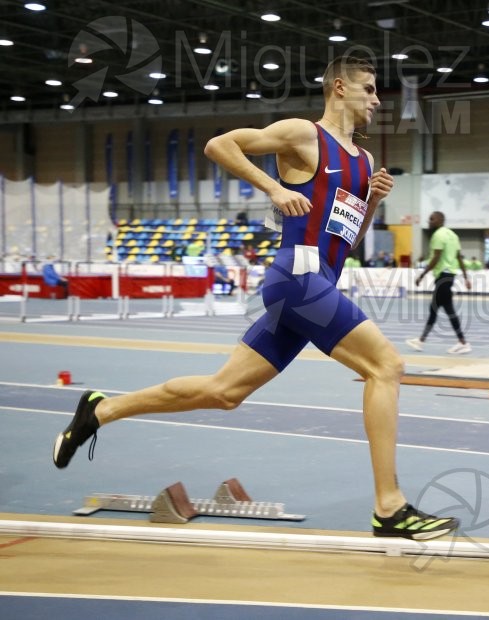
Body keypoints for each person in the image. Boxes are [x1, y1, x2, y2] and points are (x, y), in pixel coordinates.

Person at [51, 56, 458, 541]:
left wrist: (371, 201)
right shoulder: (303, 134)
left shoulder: (365, 163)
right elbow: (218, 145)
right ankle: (390, 508)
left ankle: (99, 411)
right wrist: (273, 187)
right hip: (297, 278)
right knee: (386, 366)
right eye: (368, 89)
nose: (376, 99)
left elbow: (345, 241)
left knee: (224, 392)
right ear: (338, 89)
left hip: (318, 281)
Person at [406, 211, 472, 354]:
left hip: (443, 276)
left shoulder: (438, 235)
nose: (429, 221)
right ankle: (423, 340)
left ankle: (462, 342)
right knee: (441, 309)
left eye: (432, 219)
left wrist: (421, 275)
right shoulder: (453, 235)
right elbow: (459, 258)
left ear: (440, 220)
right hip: (449, 276)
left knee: (439, 309)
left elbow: (435, 258)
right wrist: (466, 277)